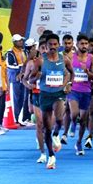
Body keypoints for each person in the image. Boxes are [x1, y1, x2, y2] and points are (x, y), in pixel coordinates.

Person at [33, 33, 74, 169]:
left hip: (59, 93)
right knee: (46, 128)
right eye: (50, 45)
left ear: (58, 45)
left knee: (59, 119)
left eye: (55, 44)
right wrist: (37, 77)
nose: (52, 47)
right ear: (46, 46)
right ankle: (51, 156)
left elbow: (71, 73)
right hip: (45, 95)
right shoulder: (40, 61)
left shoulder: (65, 59)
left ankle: (57, 134)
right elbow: (30, 79)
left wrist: (68, 84)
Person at [66, 34, 93, 156]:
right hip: (73, 89)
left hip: (86, 91)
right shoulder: (70, 57)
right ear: (77, 44)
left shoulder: (92, 58)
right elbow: (66, 73)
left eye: (86, 44)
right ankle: (73, 123)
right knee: (74, 113)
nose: (84, 46)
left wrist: (87, 72)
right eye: (82, 43)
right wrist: (66, 84)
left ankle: (78, 143)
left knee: (83, 119)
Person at [22, 39, 46, 162]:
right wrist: (29, 85)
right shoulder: (32, 63)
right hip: (36, 94)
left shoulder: (58, 62)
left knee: (50, 124)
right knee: (39, 122)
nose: (45, 51)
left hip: (51, 95)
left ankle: (51, 136)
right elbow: (24, 79)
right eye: (42, 48)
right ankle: (40, 142)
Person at [5, 34, 28, 126]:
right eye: (19, 41)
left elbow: (26, 63)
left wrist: (23, 71)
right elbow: (11, 65)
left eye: (22, 40)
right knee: (16, 98)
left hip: (23, 75)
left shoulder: (24, 51)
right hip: (15, 76)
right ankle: (15, 118)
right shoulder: (10, 52)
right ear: (14, 42)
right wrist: (21, 69)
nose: (21, 42)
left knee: (23, 97)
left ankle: (21, 118)